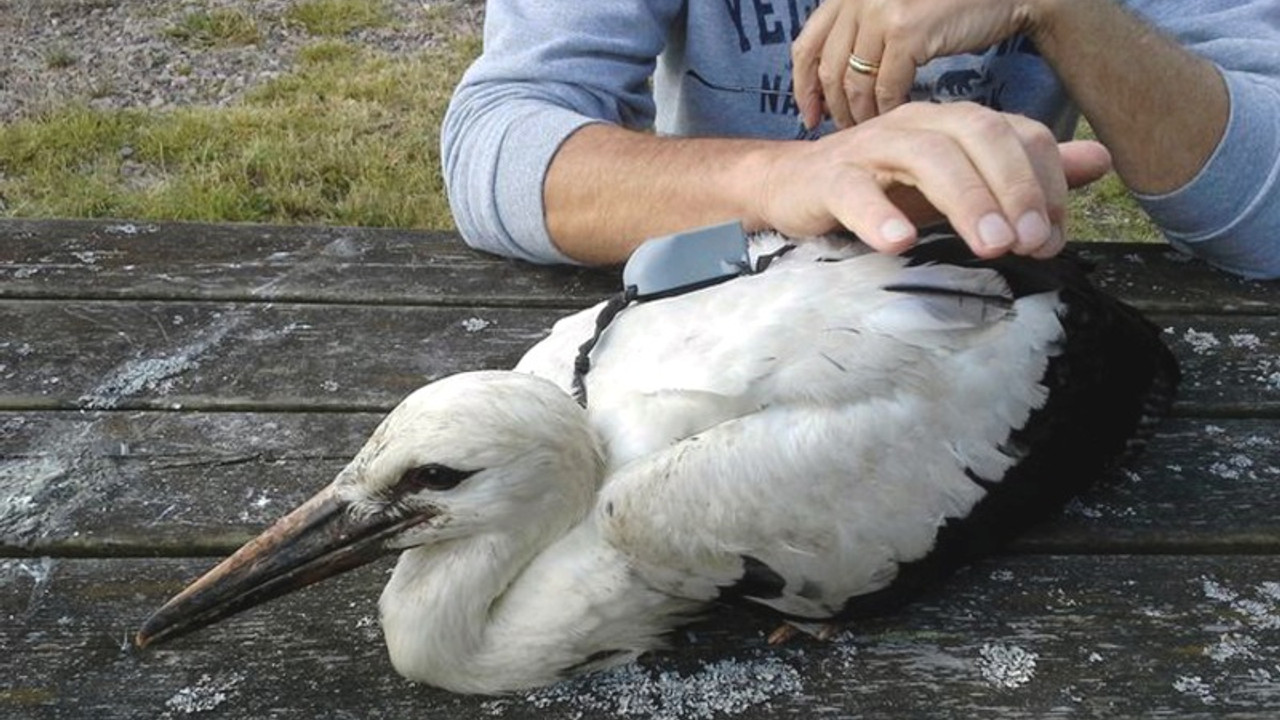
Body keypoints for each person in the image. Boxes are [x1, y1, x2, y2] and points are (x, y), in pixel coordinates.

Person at [441, 0, 1280, 279]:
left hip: (990, 318)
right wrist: (782, 180)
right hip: (712, 289)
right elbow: (495, 142)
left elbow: (1266, 219)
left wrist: (1057, 8)